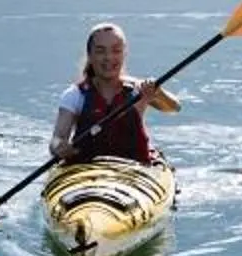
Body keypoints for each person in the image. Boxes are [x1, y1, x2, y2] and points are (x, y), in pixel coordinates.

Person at [50, 21, 162, 164]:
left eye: (116, 50)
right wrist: (59, 146)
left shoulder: (139, 90)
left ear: (124, 53)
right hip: (86, 171)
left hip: (134, 170)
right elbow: (57, 137)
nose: (108, 57)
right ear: (90, 55)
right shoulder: (74, 95)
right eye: (100, 51)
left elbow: (174, 107)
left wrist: (156, 90)